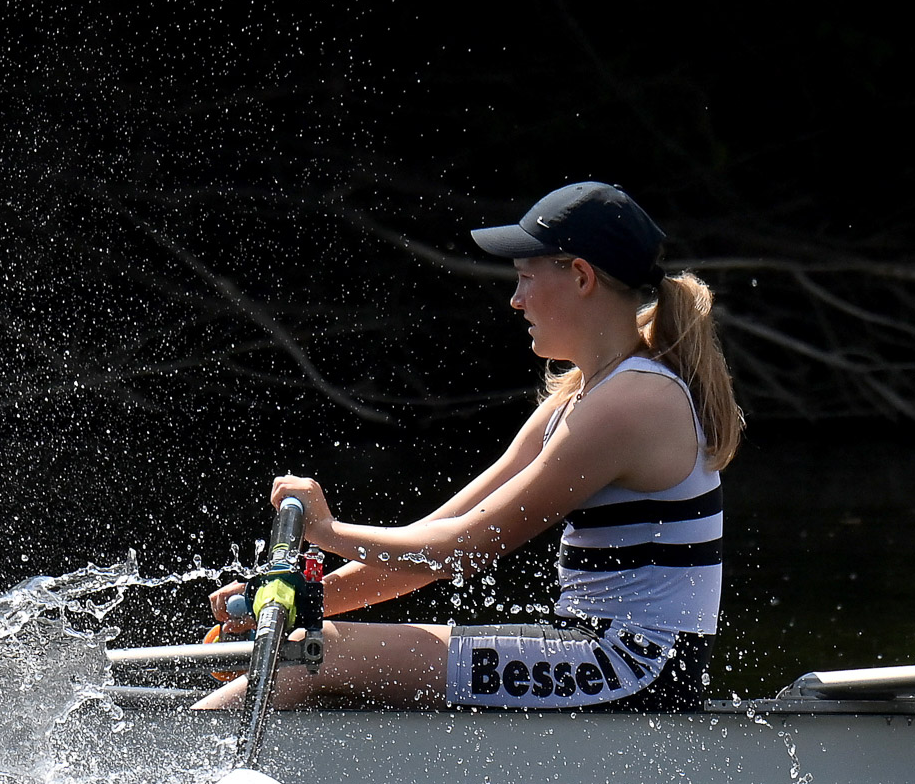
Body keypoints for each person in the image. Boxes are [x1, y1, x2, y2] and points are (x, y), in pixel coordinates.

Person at [196, 181, 740, 712]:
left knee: (313, 657)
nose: (516, 299)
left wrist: (325, 532)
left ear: (580, 277)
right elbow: (430, 544)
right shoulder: (581, 393)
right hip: (594, 650)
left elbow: (463, 551)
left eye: (526, 278)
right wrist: (303, 602)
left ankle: (173, 782)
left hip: (633, 665)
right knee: (312, 645)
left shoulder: (633, 401)